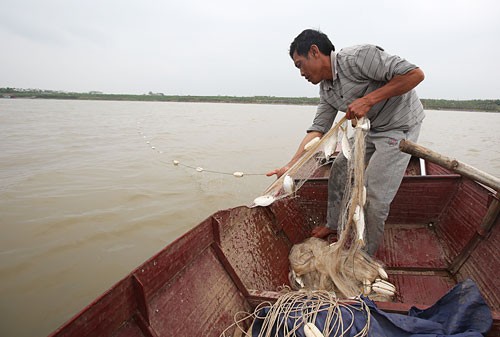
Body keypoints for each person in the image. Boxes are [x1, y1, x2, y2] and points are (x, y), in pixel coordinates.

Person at [267, 29, 425, 256]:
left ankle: (364, 256)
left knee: (373, 196)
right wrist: (289, 167)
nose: (301, 73)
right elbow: (317, 130)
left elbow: (415, 75)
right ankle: (333, 223)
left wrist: (368, 100)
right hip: (370, 129)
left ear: (314, 52)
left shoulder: (359, 57)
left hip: (399, 126)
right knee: (340, 167)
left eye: (300, 64)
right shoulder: (327, 90)